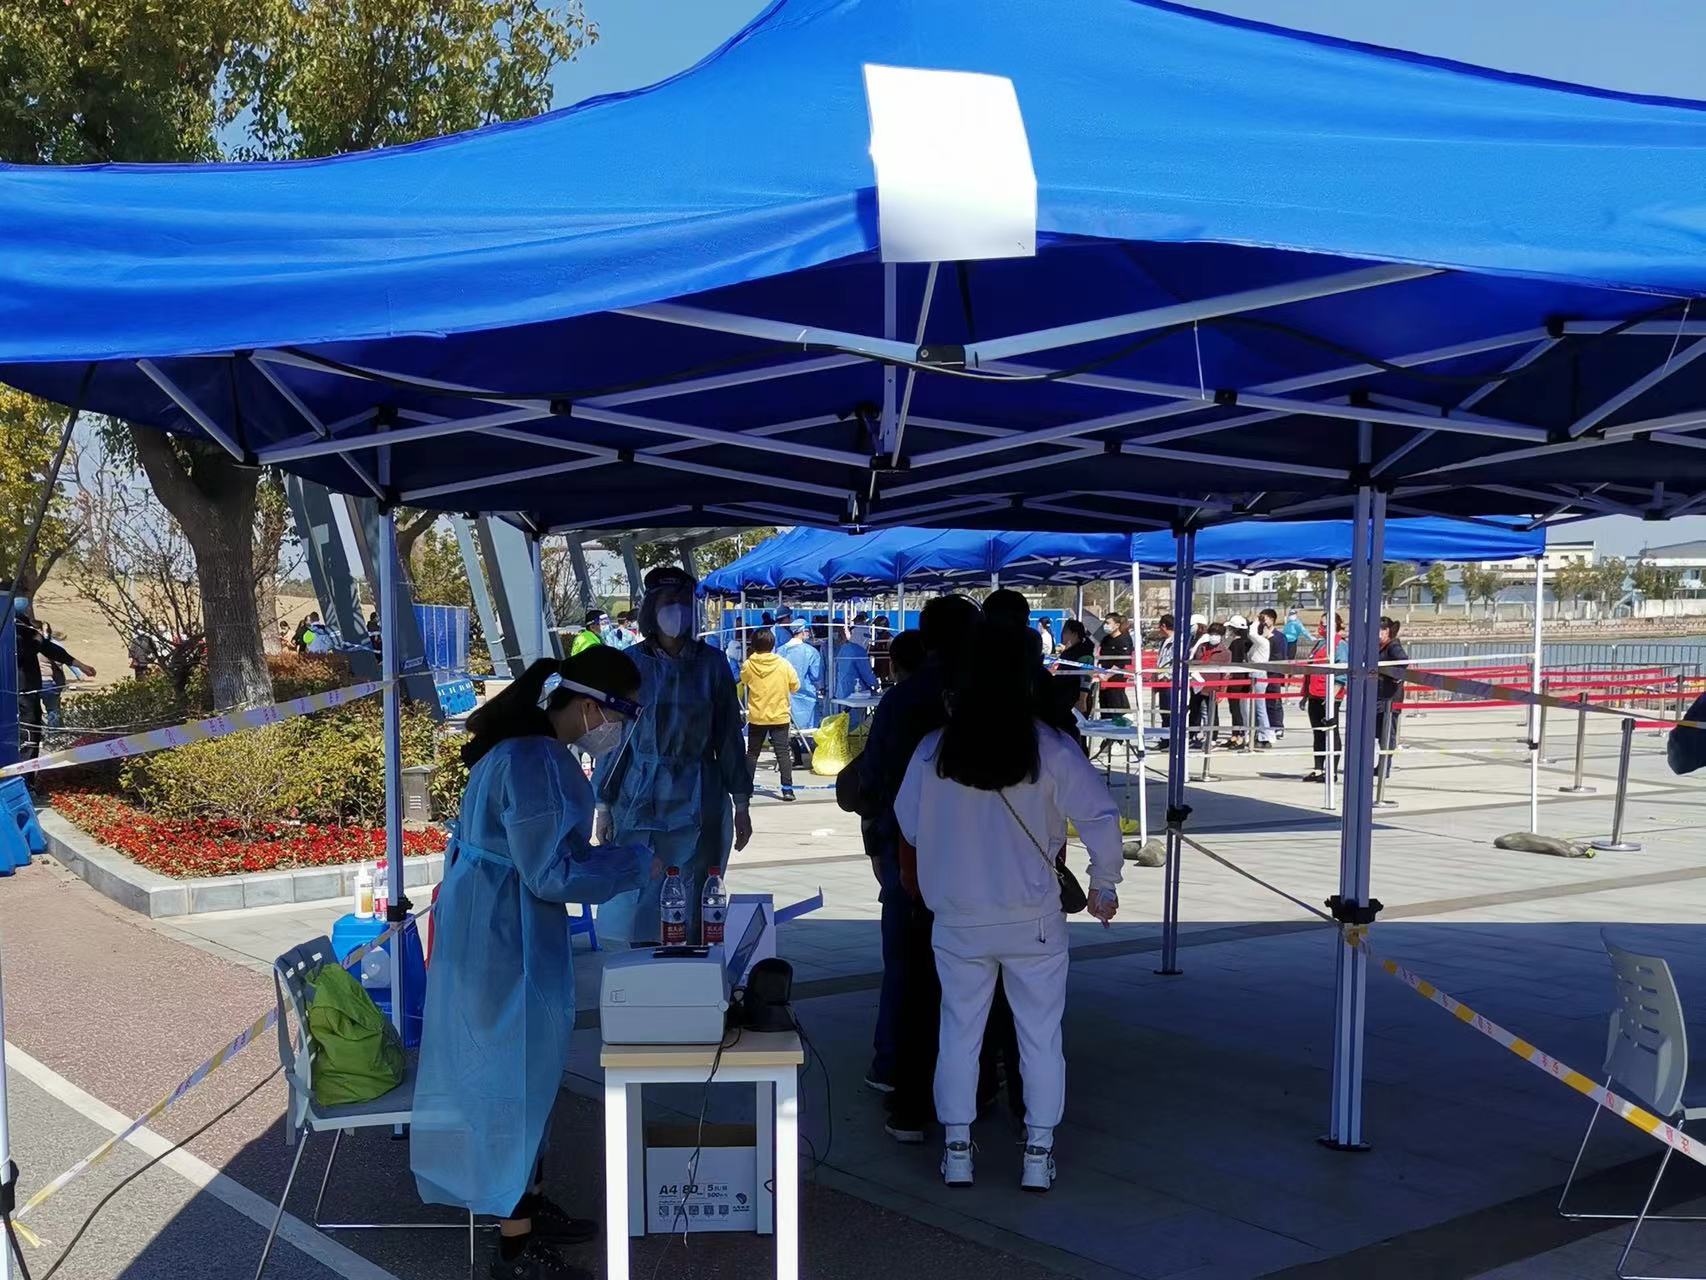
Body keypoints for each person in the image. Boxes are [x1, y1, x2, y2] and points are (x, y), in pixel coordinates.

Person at [412, 649, 658, 1277]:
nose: (620, 729)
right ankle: (515, 1247)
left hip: (496, 924)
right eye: (623, 714)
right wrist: (634, 863)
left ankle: (530, 1203)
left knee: (530, 1074)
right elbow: (551, 871)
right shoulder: (535, 759)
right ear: (591, 705)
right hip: (503, 937)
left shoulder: (525, 749)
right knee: (510, 1081)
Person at [895, 621, 1121, 1191]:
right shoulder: (1051, 746)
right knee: (1040, 1036)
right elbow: (1100, 816)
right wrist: (1104, 882)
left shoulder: (933, 750)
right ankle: (1038, 1154)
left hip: (957, 918)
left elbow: (909, 826)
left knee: (958, 1032)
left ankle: (957, 1150)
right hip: (1033, 919)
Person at [837, 596, 980, 1133]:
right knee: (973, 976)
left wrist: (880, 845)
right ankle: (974, 1082)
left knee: (908, 966)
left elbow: (874, 783)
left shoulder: (903, 700)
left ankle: (895, 1069)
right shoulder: (986, 697)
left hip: (908, 854)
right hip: (980, 860)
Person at [594, 566, 752, 945]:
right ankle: (641, 960)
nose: (676, 609)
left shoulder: (712, 664)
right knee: (642, 885)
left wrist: (742, 803)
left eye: (683, 601)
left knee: (695, 886)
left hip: (700, 793)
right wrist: (603, 804)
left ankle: (691, 961)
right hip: (640, 793)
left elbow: (729, 737)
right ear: (651, 607)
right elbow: (614, 740)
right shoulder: (630, 665)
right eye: (668, 601)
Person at [12, 601, 93, 763]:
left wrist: (79, 665)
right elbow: (24, 652)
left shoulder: (25, 628)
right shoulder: (17, 631)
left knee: (33, 731)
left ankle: (28, 771)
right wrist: (37, 641)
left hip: (30, 691)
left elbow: (52, 650)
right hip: (21, 693)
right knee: (27, 735)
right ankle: (23, 772)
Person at [740, 629, 799, 801]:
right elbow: (795, 686)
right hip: (780, 715)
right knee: (783, 753)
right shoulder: (783, 664)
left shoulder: (748, 664)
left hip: (757, 716)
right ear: (773, 644)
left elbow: (744, 680)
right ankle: (787, 790)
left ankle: (747, 788)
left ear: (753, 645)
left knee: (752, 753)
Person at [1301, 614, 1348, 784]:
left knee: (1331, 732)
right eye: (1321, 624)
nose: (1322, 627)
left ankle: (1331, 771)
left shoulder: (1340, 645)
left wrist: (1332, 695)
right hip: (1314, 694)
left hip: (1329, 695)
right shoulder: (1320, 644)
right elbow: (1310, 669)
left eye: (1325, 624)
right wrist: (1305, 695)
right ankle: (1318, 769)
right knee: (1318, 733)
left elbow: (1342, 672)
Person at [1375, 616, 1409, 782]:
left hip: (1390, 697)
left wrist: (1395, 677)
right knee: (1378, 732)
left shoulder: (1393, 645)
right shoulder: (1378, 647)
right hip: (1379, 695)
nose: (1378, 633)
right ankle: (1380, 765)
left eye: (1381, 630)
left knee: (1388, 733)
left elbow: (1404, 661)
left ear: (1387, 631)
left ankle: (1385, 767)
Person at [835, 616, 881, 729]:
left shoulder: (844, 649)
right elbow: (866, 673)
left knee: (844, 724)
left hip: (841, 692)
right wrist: (875, 685)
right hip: (857, 694)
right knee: (856, 725)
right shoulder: (858, 651)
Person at [779, 619, 823, 732]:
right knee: (808, 732)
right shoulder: (811, 652)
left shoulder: (780, 651)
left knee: (786, 731)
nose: (809, 633)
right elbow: (816, 676)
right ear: (803, 631)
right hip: (806, 697)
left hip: (783, 697)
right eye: (807, 630)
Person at [1190, 622, 1229, 748]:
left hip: (1213, 687)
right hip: (1197, 684)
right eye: (1212, 633)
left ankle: (1212, 737)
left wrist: (1222, 690)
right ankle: (1193, 735)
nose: (1214, 636)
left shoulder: (1225, 652)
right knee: (1194, 711)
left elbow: (1226, 673)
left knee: (1212, 712)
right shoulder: (1201, 647)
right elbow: (1194, 662)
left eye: (1217, 634)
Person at [1053, 618, 1096, 719]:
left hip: (1076, 699)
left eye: (1065, 632)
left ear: (1074, 634)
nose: (1062, 635)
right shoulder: (1069, 652)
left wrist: (1082, 699)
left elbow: (1086, 677)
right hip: (1064, 696)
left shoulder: (1084, 653)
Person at [1096, 612, 1134, 718]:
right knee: (1105, 710)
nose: (1105, 625)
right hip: (1103, 678)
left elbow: (1121, 662)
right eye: (1105, 623)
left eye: (1108, 623)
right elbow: (1101, 657)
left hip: (1116, 679)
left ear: (1117, 625)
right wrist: (1100, 672)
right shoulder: (1106, 639)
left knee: (1117, 707)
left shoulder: (1123, 640)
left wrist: (1107, 676)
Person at [1247, 611, 1276, 749]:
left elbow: (1252, 634)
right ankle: (1259, 734)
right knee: (1255, 708)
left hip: (1259, 675)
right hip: (1253, 675)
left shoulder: (1263, 642)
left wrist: (1256, 621)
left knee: (1260, 708)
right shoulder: (1260, 642)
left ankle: (1266, 736)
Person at [1259, 608, 1288, 735]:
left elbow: (1282, 656)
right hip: (1261, 672)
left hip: (1274, 673)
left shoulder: (1279, 637)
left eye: (1264, 619)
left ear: (1272, 619)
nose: (1262, 622)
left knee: (1274, 701)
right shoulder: (1259, 635)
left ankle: (1277, 726)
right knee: (1261, 701)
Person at [1154, 613, 1176, 728]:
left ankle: (1170, 734)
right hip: (1162, 680)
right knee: (1164, 711)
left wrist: (1167, 676)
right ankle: (1165, 735)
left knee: (1169, 711)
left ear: (1163, 626)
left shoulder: (1177, 641)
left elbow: (1174, 660)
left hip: (1170, 680)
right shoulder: (1164, 641)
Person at [870, 614, 893, 684]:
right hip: (880, 670)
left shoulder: (888, 638)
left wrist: (890, 675)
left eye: (878, 626)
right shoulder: (879, 638)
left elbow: (891, 657)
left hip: (886, 672)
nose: (876, 629)